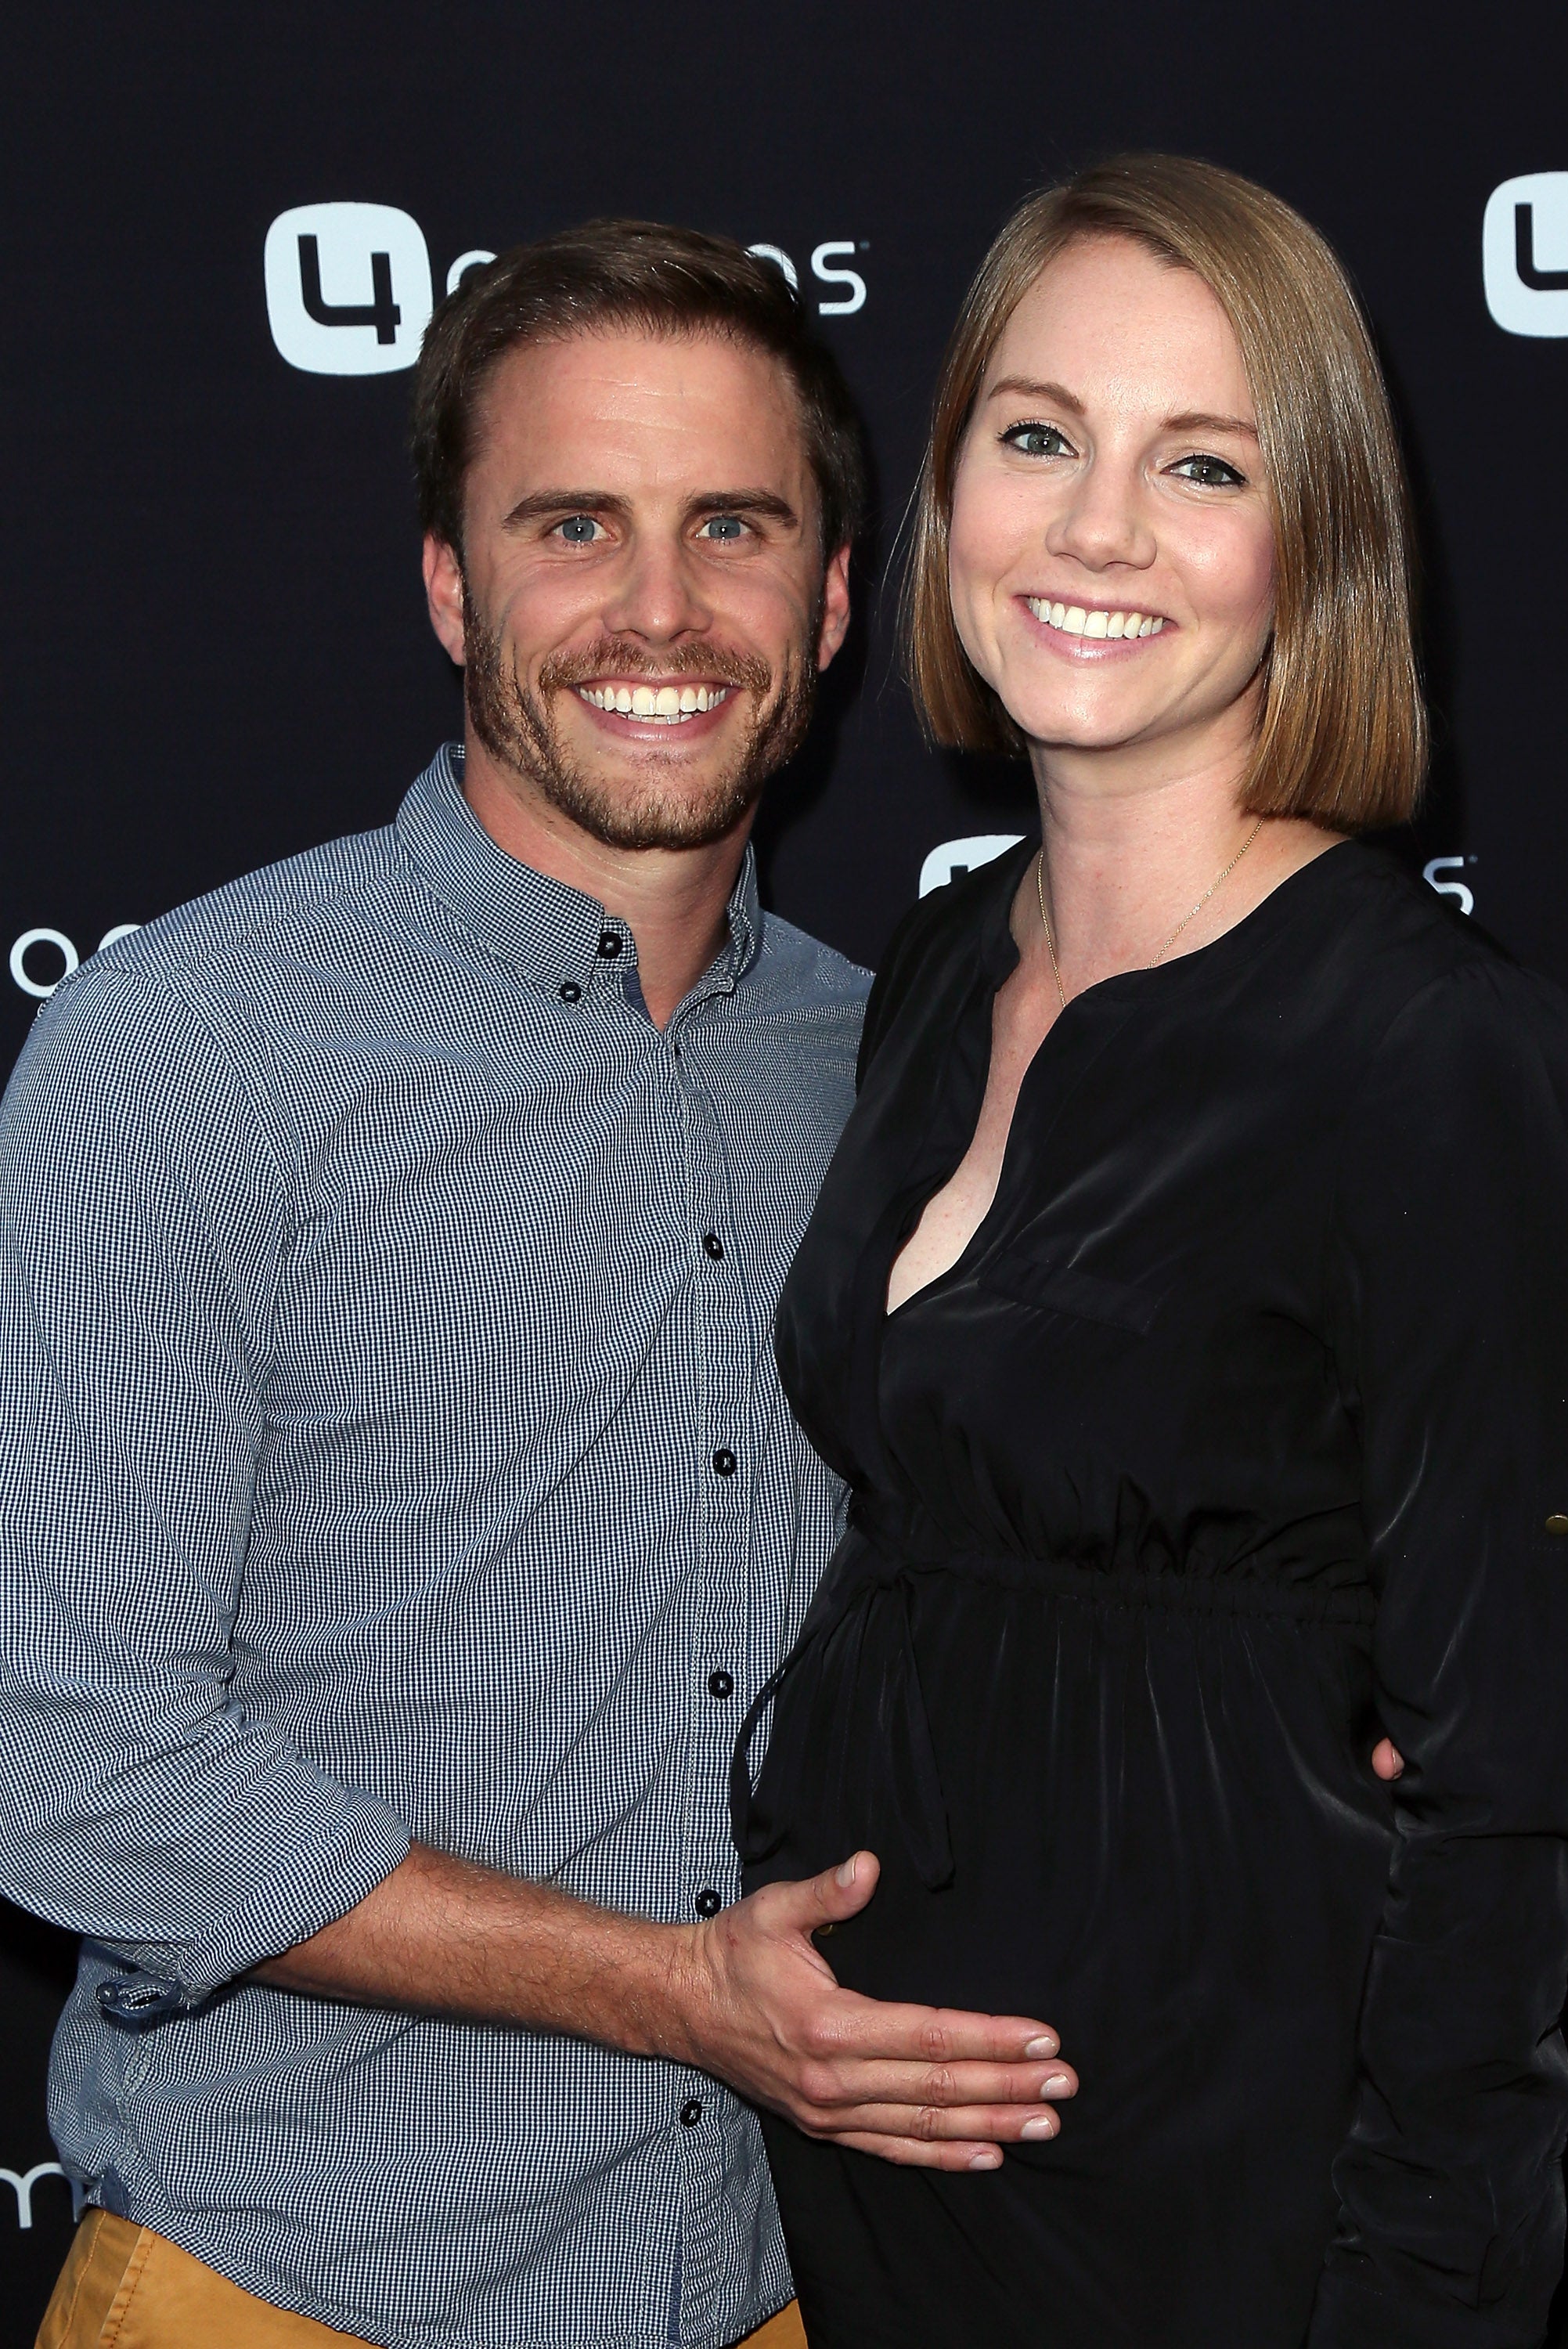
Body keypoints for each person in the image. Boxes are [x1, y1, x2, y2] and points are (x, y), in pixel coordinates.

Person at [0, 222, 1073, 2349]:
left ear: (832, 601)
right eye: (573, 524)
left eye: (733, 526)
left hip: (777, 2283)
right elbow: (65, 1751)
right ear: (448, 585)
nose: (659, 608)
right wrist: (671, 1992)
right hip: (288, 2288)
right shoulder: (190, 1046)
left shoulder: (898, 1069)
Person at [736, 156, 1568, 2347]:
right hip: (876, 2170)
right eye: (1039, 435)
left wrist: (1418, 2302)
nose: (1100, 528)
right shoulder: (942, 967)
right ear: (948, 489)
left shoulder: (1441, 1059)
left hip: (1224, 2187)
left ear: (1313, 541)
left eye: (1203, 464)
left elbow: (1503, 1806)